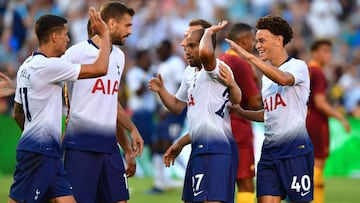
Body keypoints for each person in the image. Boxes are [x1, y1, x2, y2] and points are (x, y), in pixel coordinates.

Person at [9, 8, 111, 203]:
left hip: (48, 152)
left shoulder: (27, 66)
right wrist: (104, 34)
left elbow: (17, 113)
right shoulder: (49, 66)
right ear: (54, 37)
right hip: (39, 153)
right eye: (65, 35)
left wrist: (33, 134)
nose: (68, 39)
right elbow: (100, 68)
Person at [150, 19, 242, 203]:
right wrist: (161, 90)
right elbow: (177, 106)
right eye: (185, 45)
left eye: (191, 45)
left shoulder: (215, 68)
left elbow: (208, 54)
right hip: (199, 147)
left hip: (214, 148)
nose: (186, 48)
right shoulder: (189, 73)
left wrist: (209, 33)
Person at [225, 15, 314, 203]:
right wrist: (242, 112)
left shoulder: (298, 66)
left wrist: (248, 57)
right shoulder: (266, 79)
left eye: (262, 40)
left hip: (295, 149)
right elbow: (269, 114)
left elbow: (284, 79)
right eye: (256, 41)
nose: (257, 46)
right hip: (270, 150)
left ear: (279, 40)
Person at [61, 2, 144, 203]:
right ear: (112, 23)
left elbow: (110, 103)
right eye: (127, 25)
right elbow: (58, 87)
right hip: (81, 147)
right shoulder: (76, 53)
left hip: (109, 147)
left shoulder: (119, 57)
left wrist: (131, 134)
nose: (131, 32)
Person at [219, 23, 262, 203]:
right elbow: (253, 103)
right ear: (243, 41)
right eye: (253, 40)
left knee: (222, 183)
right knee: (245, 183)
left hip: (219, 127)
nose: (255, 44)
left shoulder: (221, 59)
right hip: (238, 126)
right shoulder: (241, 63)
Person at [306, 39, 350, 203]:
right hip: (317, 122)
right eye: (324, 51)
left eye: (329, 51)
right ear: (314, 52)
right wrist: (341, 117)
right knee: (318, 163)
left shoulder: (307, 70)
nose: (328, 55)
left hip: (306, 120)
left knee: (309, 164)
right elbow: (320, 103)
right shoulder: (317, 72)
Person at [147, 39, 187, 194]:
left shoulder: (176, 63)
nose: (158, 53)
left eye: (161, 49)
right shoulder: (161, 64)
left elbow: (180, 87)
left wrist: (170, 108)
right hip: (163, 111)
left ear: (169, 49)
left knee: (167, 143)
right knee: (158, 143)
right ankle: (159, 182)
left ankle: (177, 177)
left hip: (173, 111)